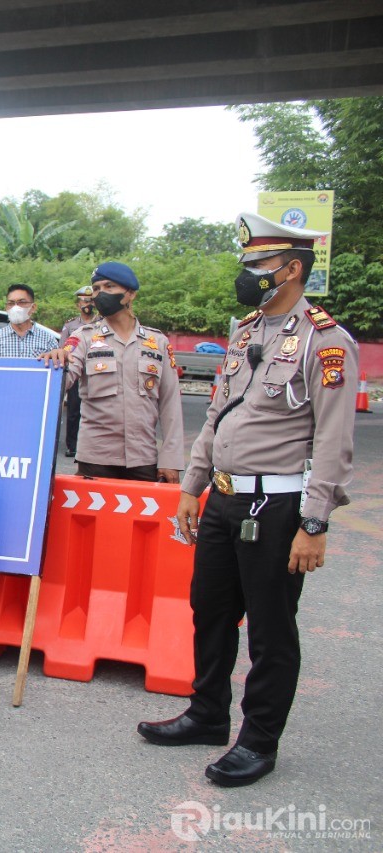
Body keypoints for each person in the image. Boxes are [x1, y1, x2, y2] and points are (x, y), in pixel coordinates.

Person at [137, 212, 357, 787]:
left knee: (271, 629)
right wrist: (193, 487)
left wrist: (315, 520)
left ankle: (258, 740)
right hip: (224, 502)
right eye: (247, 264)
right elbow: (217, 415)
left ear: (290, 268)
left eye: (258, 265)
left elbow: (334, 439)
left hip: (278, 507)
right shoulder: (246, 331)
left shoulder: (325, 340)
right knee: (209, 613)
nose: (249, 274)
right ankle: (208, 714)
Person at [40, 262, 184, 483]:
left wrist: (171, 460)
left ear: (130, 294)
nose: (100, 294)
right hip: (96, 459)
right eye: (96, 288)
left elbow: (170, 404)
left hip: (143, 458)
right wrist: (57, 362)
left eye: (109, 286)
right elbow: (63, 380)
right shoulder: (84, 337)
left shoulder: (158, 343)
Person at [58, 285, 96, 457]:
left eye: (89, 301)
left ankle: (91, 447)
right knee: (73, 411)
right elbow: (63, 349)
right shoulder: (70, 326)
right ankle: (72, 446)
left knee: (95, 410)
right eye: (83, 301)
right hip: (76, 372)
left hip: (96, 373)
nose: (87, 304)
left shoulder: (101, 324)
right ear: (77, 305)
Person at [0, 284, 56, 358]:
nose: (15, 307)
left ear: (33, 307)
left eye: (22, 302)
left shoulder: (48, 340)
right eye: (11, 303)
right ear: (6, 307)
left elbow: (58, 367)